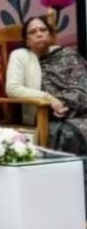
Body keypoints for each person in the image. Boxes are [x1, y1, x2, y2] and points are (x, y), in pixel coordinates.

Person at [6, 15, 87, 151]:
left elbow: (81, 84)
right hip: (45, 113)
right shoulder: (21, 56)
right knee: (69, 133)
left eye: (43, 30)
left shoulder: (68, 55)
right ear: (27, 41)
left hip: (78, 109)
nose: (39, 34)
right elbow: (13, 89)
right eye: (33, 32)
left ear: (50, 35)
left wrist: (65, 105)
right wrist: (50, 99)